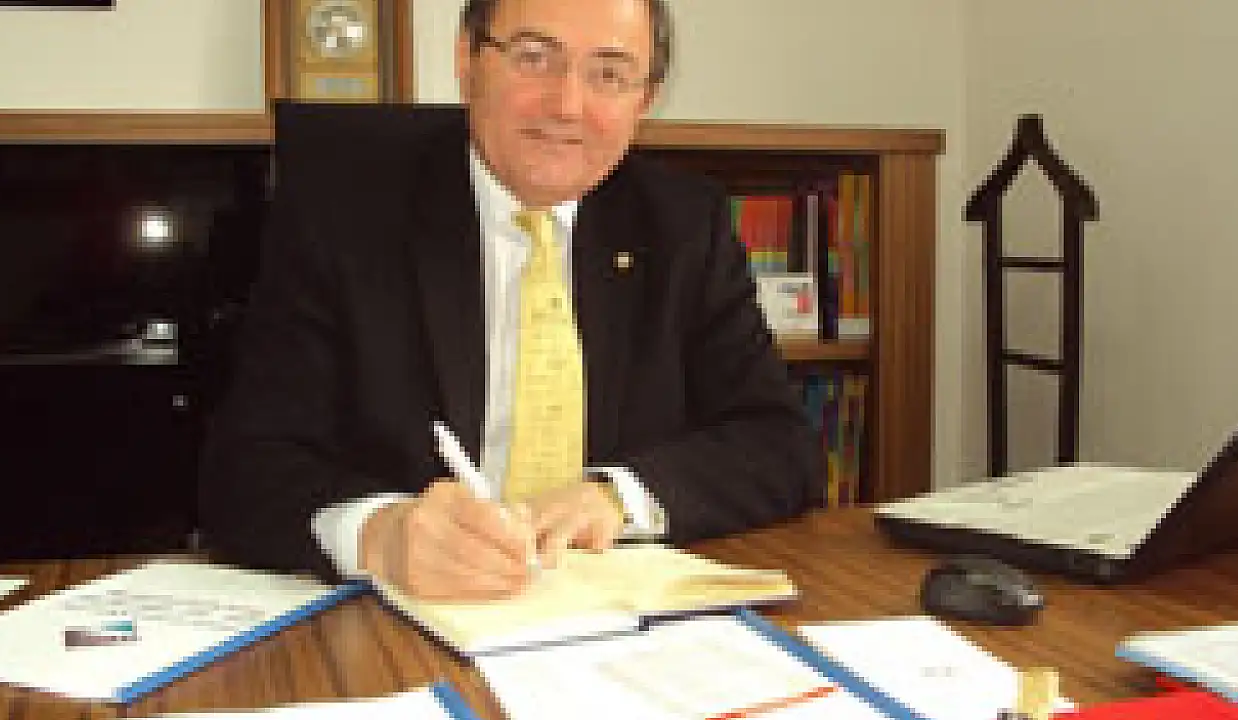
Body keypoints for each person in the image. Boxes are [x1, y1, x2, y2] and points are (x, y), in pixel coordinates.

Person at [200, 0, 819, 602]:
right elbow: (246, 470)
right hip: (399, 623)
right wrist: (381, 535)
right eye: (534, 57)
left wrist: (617, 496)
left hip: (609, 617)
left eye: (609, 74)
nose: (567, 105)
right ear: (467, 61)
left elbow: (779, 444)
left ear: (644, 100)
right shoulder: (344, 216)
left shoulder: (684, 226)